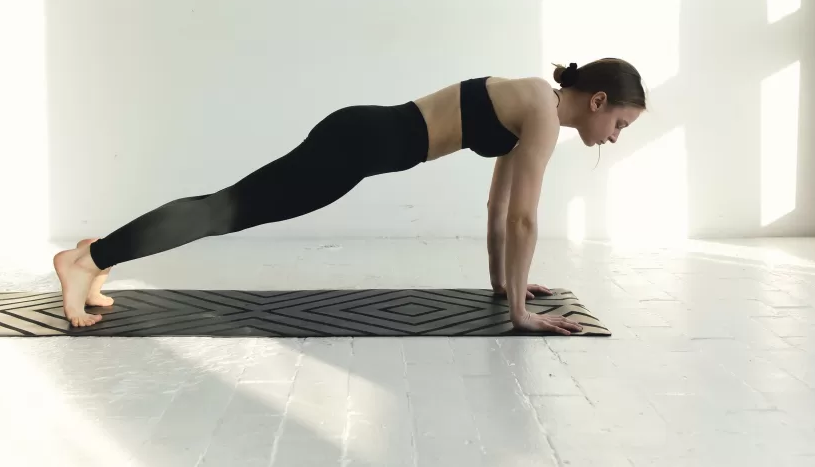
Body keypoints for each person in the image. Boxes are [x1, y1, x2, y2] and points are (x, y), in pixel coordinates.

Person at [54, 58, 646, 333]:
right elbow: (523, 221)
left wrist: (504, 289)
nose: (614, 137)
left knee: (228, 206)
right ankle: (86, 261)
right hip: (357, 145)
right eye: (620, 123)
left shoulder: (534, 102)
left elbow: (499, 207)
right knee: (224, 211)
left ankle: (96, 255)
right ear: (597, 100)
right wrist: (519, 314)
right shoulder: (541, 110)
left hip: (359, 138)